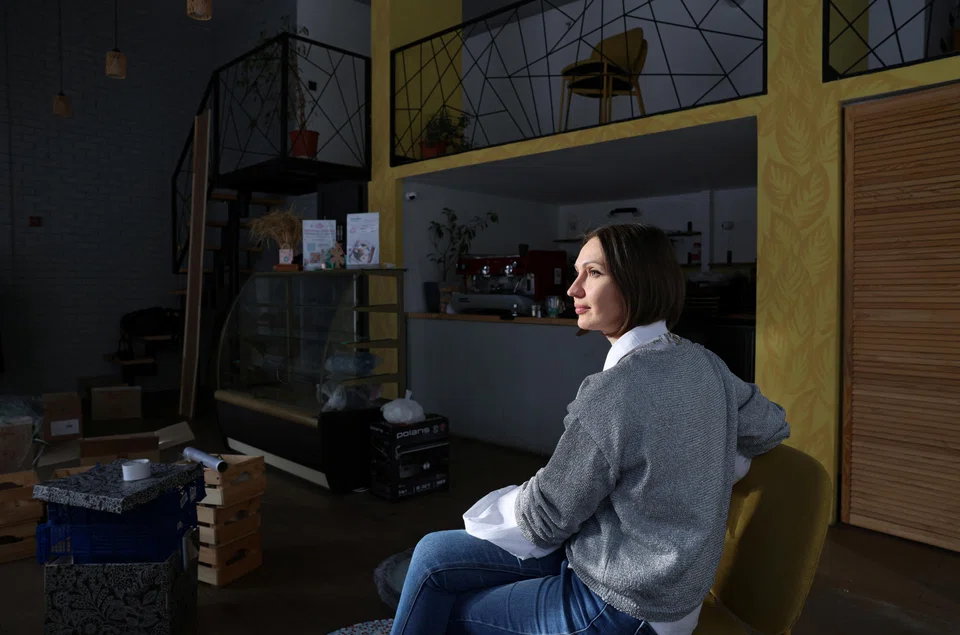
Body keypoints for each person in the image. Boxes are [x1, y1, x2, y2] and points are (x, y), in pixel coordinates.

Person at [390, 223, 789, 635]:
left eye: (593, 273)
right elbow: (770, 426)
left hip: (623, 604)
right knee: (432, 553)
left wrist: (494, 511)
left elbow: (546, 518)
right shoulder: (704, 362)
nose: (572, 289)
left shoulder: (615, 390)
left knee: (451, 611)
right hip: (634, 571)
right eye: (576, 272)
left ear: (637, 282)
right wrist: (706, 457)